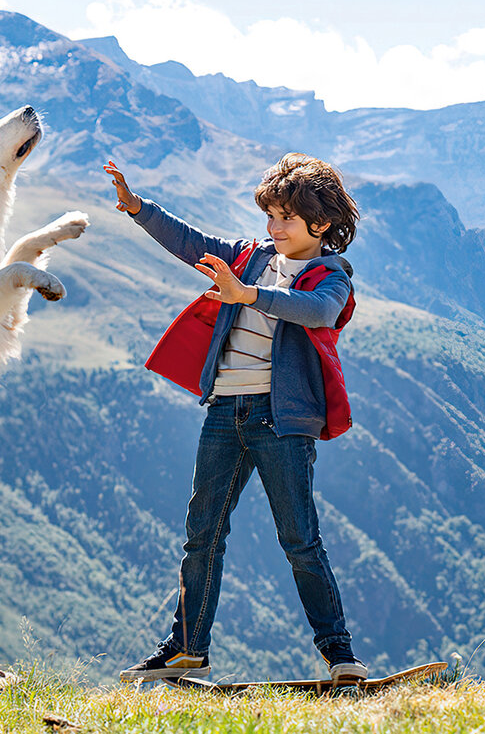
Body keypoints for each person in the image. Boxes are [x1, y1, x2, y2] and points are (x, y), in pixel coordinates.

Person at [105, 153, 366, 682]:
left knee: (299, 539)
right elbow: (191, 243)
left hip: (282, 420)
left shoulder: (330, 275)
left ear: (321, 225)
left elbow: (318, 312)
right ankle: (187, 648)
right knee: (202, 533)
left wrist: (247, 295)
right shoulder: (251, 256)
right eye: (269, 215)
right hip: (225, 410)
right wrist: (137, 207)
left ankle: (340, 655)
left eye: (286, 218)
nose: (273, 227)